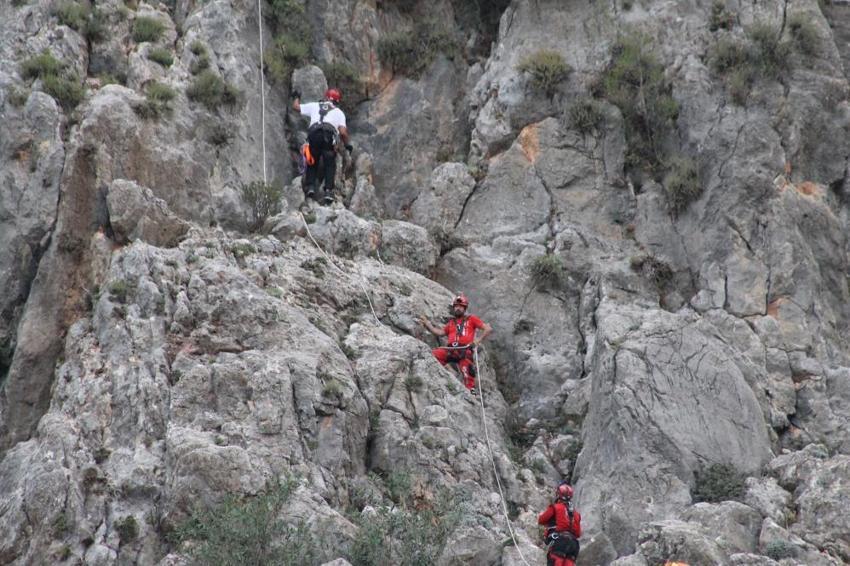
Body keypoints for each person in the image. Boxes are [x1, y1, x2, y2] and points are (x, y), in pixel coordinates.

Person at [418, 294, 492, 393]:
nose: (458, 308)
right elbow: (440, 333)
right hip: (451, 350)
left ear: (464, 308)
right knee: (432, 355)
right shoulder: (451, 323)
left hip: (465, 350)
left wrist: (478, 340)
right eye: (456, 306)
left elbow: (487, 329)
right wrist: (427, 324)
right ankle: (448, 372)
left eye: (461, 306)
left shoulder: (472, 319)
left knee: (468, 373)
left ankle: (472, 394)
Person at [292, 87, 352, 205]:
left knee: (312, 161)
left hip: (314, 134)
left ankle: (310, 187)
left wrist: (296, 97)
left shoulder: (315, 106)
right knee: (329, 163)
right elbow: (343, 132)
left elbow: (296, 107)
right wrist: (347, 145)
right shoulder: (339, 113)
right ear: (337, 101)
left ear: (326, 98)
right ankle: (329, 192)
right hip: (329, 137)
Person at [538, 482, 582, 566]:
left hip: (560, 541)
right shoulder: (576, 514)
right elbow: (578, 533)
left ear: (558, 495)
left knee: (556, 562)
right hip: (574, 544)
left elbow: (541, 520)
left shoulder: (555, 507)